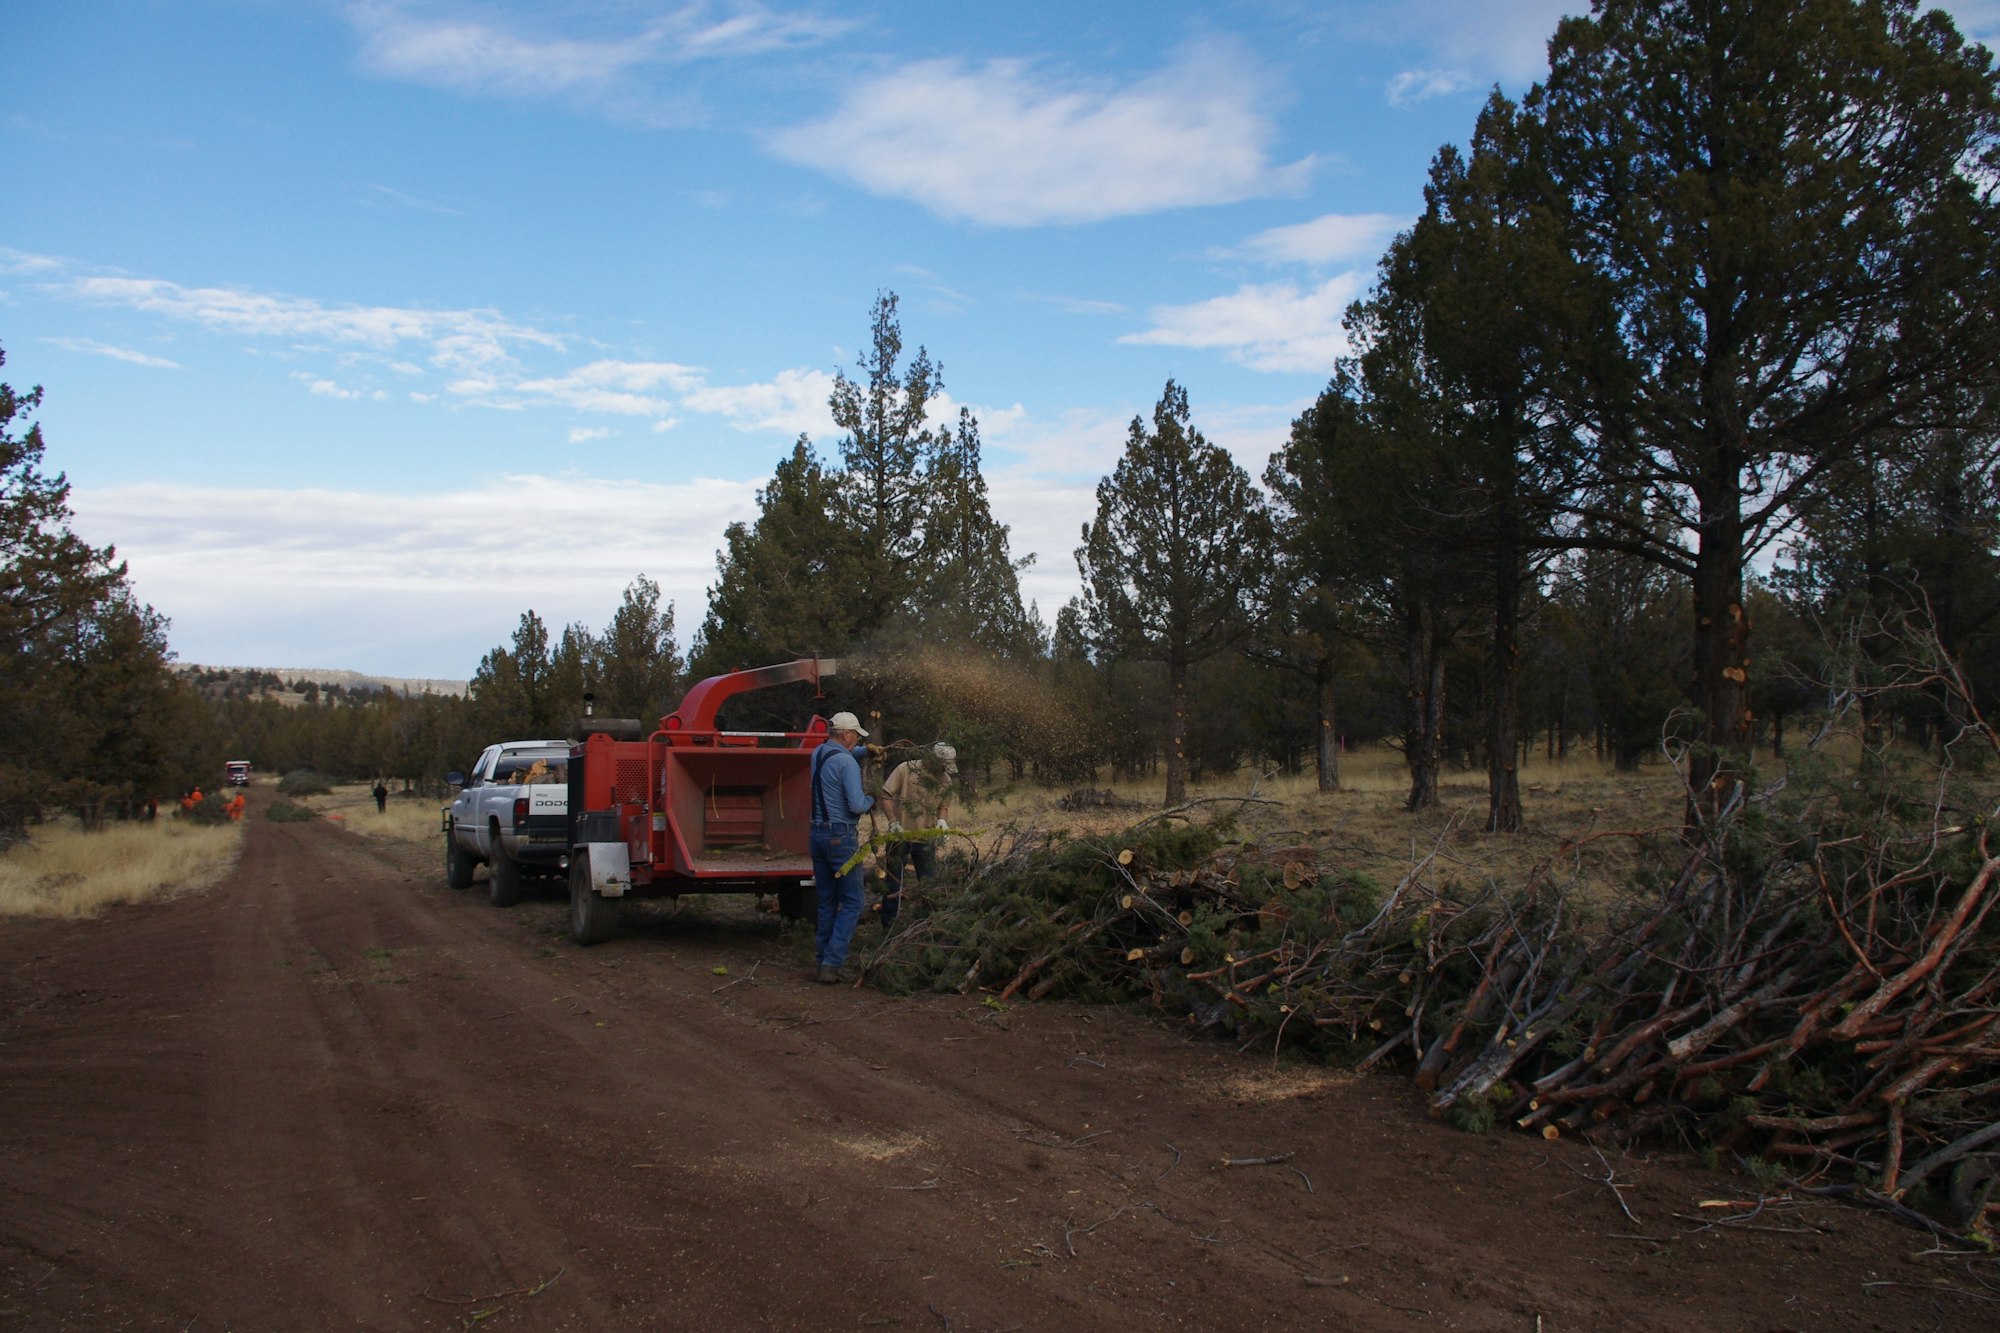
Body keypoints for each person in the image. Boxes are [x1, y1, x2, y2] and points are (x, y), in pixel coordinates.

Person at [809, 711, 875, 984]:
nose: (857, 739)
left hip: (816, 835)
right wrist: (875, 796)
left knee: (826, 901)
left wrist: (865, 751)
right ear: (847, 735)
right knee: (853, 902)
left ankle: (822, 960)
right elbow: (857, 805)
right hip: (841, 837)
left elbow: (842, 755)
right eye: (856, 736)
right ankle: (833, 964)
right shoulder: (847, 764)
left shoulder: (818, 753)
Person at [876, 741, 957, 931]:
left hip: (926, 839)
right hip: (899, 837)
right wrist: (893, 822)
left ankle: (927, 927)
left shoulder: (946, 780)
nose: (943, 769)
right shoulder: (906, 769)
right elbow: (886, 794)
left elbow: (943, 807)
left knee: (929, 884)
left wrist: (942, 822)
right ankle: (889, 927)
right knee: (893, 884)